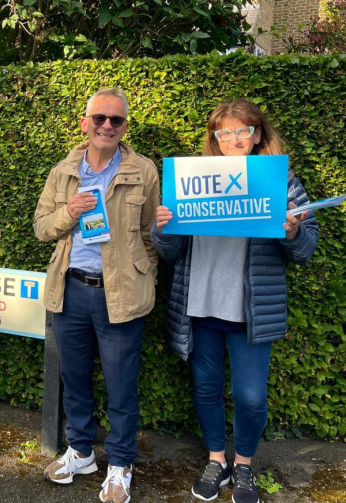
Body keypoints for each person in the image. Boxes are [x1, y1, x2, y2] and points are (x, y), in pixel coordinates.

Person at [151, 99, 319, 503]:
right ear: (215, 138)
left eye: (243, 130)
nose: (234, 139)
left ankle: (243, 465)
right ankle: (216, 459)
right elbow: (168, 252)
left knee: (251, 397)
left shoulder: (280, 182)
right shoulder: (192, 179)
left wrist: (292, 232)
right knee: (206, 388)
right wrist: (164, 228)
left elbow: (305, 249)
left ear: (258, 134)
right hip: (200, 305)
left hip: (249, 311)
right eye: (225, 132)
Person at [33, 88, 159, 503]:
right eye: (100, 118)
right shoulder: (63, 171)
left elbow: (150, 235)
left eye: (116, 120)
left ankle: (120, 464)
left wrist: (144, 279)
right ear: (85, 123)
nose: (107, 126)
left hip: (119, 295)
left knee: (122, 385)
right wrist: (68, 212)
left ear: (125, 127)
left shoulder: (143, 171)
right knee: (75, 378)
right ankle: (81, 451)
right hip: (71, 290)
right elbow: (41, 227)